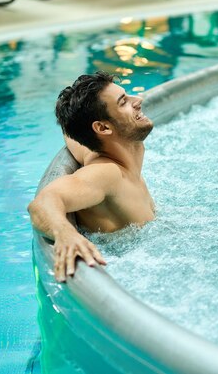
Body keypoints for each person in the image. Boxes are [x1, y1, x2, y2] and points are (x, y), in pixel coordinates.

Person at [28, 71, 156, 282]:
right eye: (123, 102)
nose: (138, 100)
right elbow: (43, 203)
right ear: (103, 127)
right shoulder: (106, 174)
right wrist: (64, 233)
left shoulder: (120, 148)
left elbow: (72, 134)